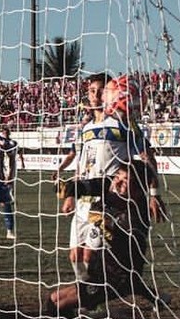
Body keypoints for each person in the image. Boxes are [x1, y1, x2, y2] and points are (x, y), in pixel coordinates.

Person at [32, 160, 170, 319]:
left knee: (56, 301)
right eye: (118, 177)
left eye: (125, 181)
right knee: (58, 297)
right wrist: (68, 188)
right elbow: (87, 186)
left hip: (115, 278)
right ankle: (158, 298)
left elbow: (128, 236)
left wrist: (108, 227)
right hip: (102, 268)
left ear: (138, 188)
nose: (117, 182)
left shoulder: (137, 211)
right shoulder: (110, 185)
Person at [55, 74, 161, 280]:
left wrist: (154, 194)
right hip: (84, 200)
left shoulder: (123, 122)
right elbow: (82, 164)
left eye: (101, 91)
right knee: (75, 256)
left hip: (108, 201)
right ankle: (86, 291)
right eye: (91, 91)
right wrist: (71, 196)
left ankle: (91, 295)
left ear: (110, 95)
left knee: (90, 255)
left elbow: (148, 157)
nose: (95, 95)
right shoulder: (85, 128)